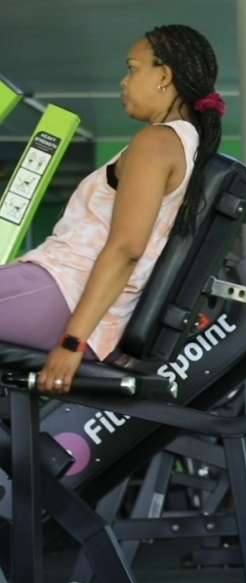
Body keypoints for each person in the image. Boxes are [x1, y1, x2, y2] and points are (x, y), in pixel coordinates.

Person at [0, 25, 222, 395]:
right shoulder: (179, 144)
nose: (123, 81)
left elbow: (126, 250)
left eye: (133, 68)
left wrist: (74, 343)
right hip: (62, 292)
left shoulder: (157, 142)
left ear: (164, 75)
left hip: (63, 294)